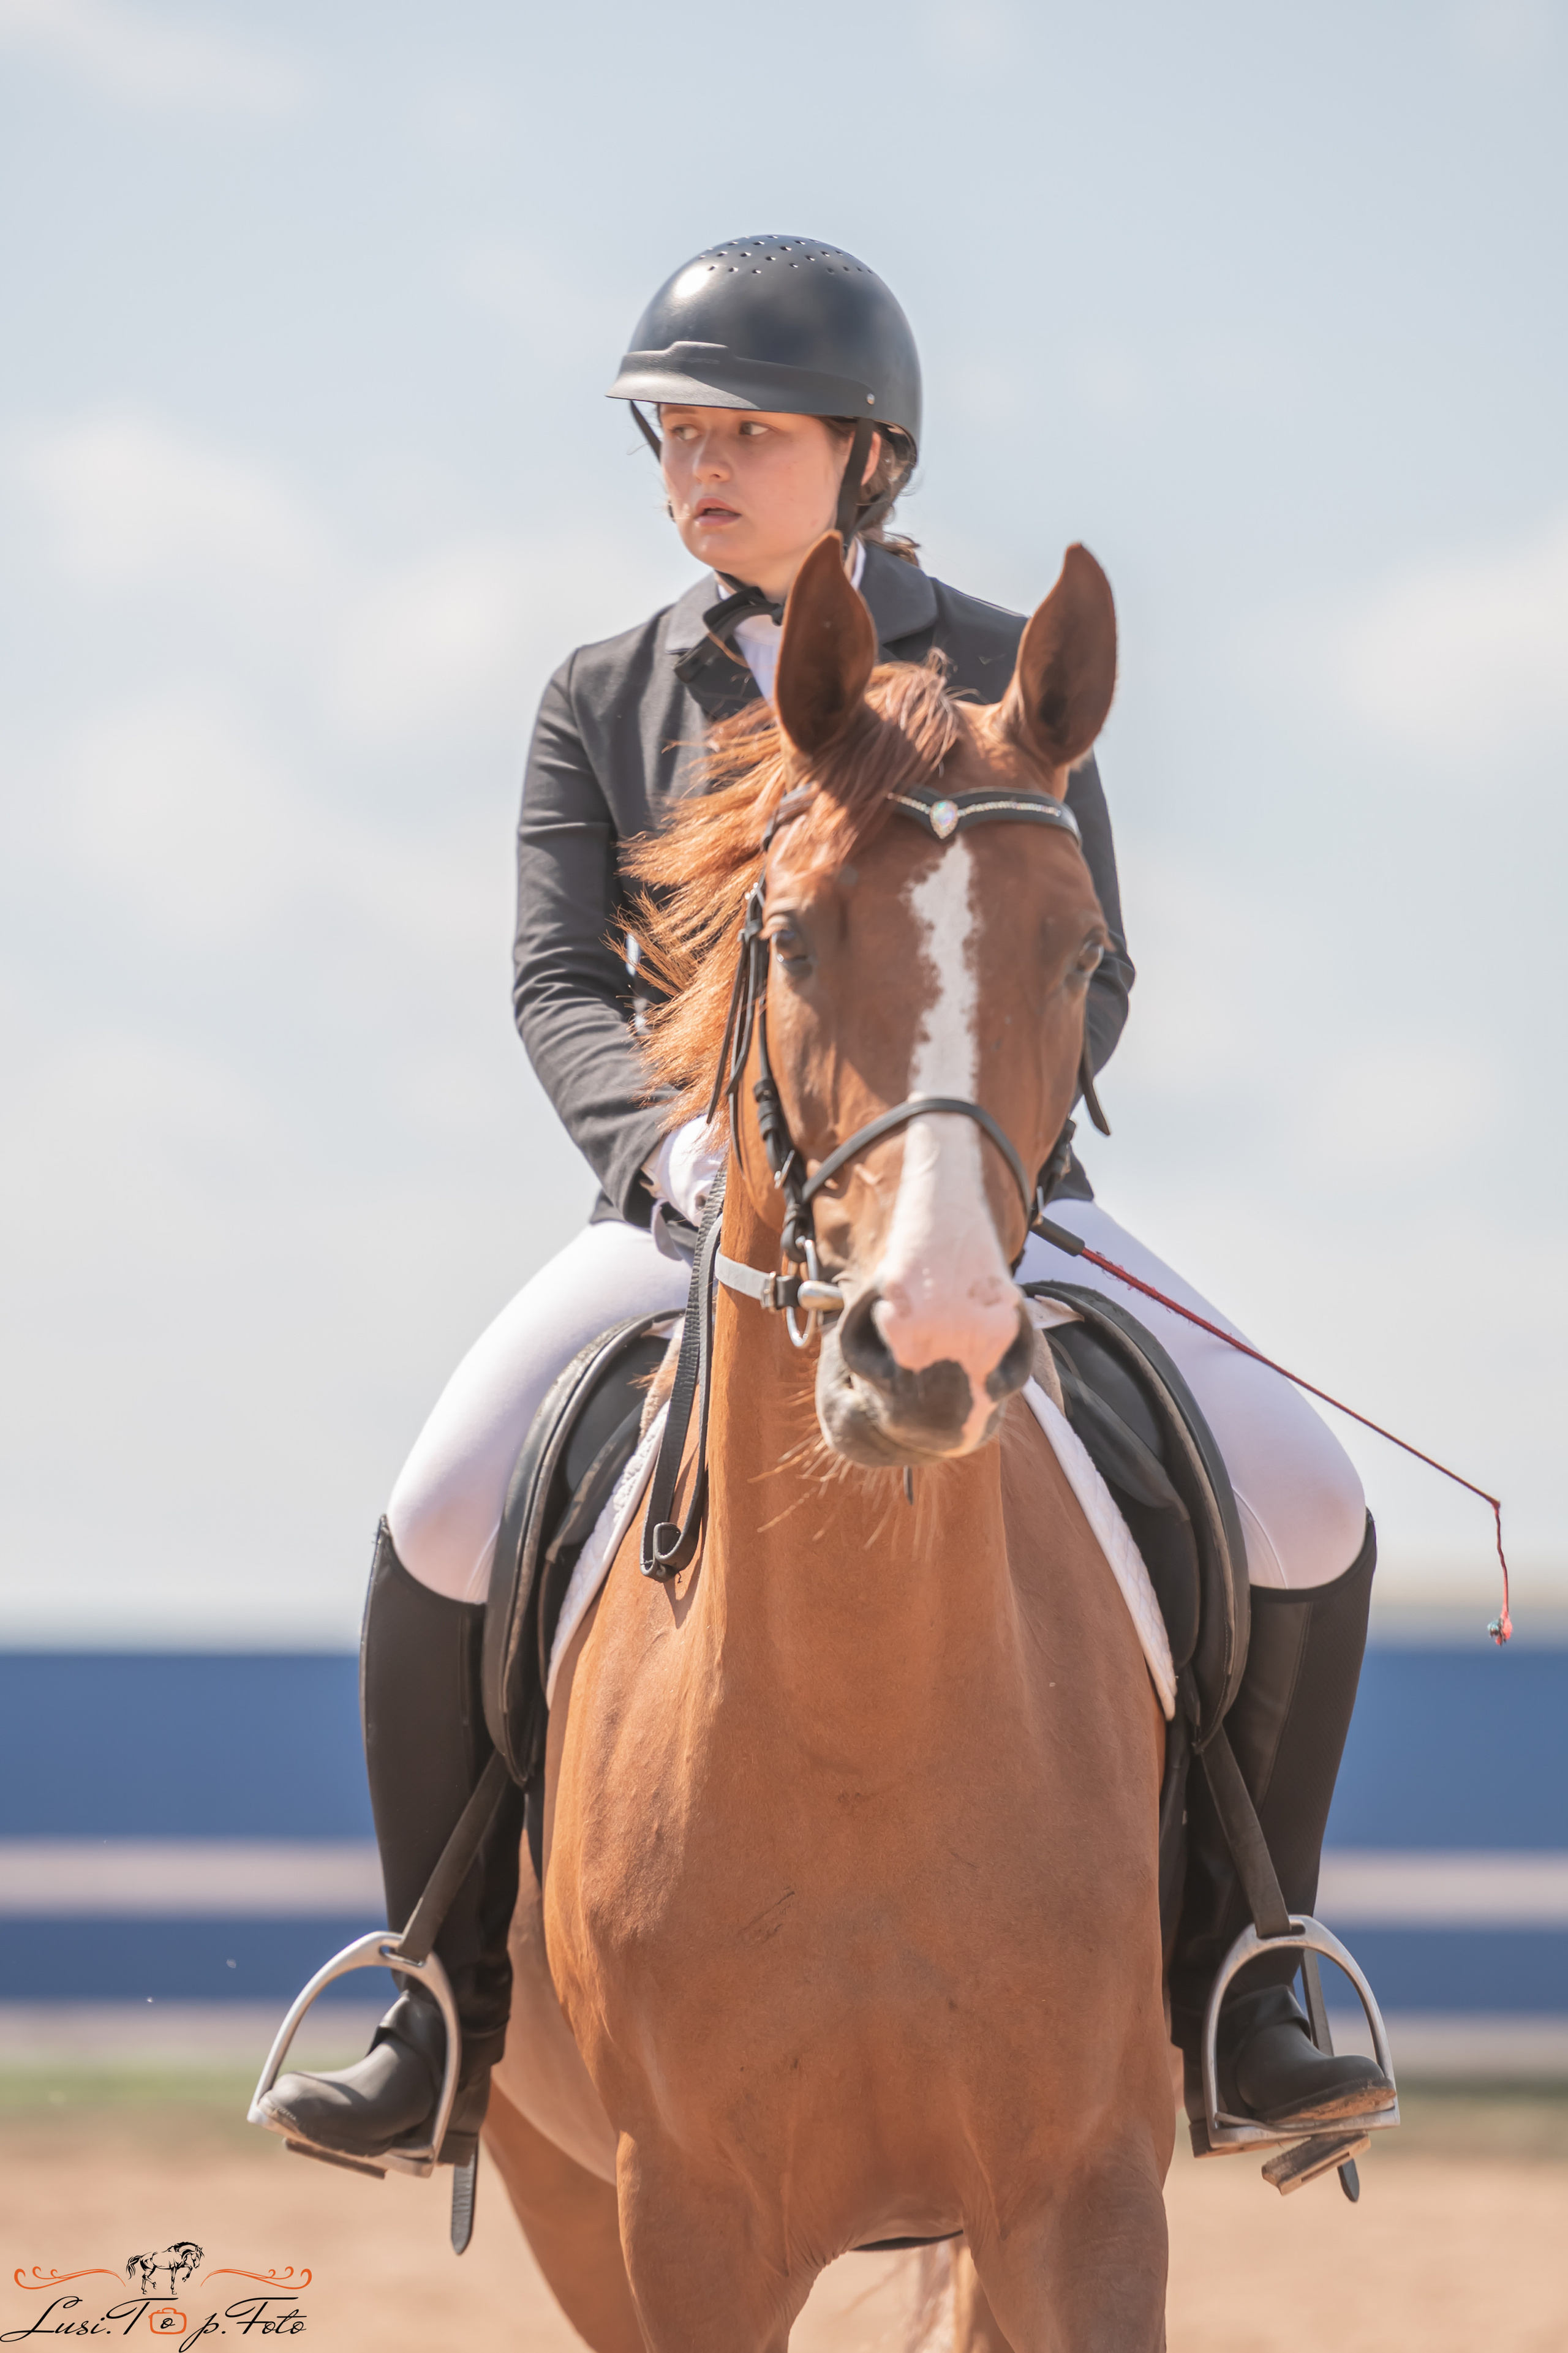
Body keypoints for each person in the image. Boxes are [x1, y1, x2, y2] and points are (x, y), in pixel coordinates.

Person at [259, 234, 1391, 2169]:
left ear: (869, 452)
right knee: (439, 1510)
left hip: (988, 1199)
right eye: (677, 437)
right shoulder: (601, 694)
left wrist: (977, 1157)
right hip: (692, 1201)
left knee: (1308, 1494)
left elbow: (1088, 962)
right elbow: (556, 979)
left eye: (746, 434)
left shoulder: (1003, 666)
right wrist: (675, 1146)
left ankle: (1245, 1970)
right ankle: (437, 1984)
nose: (699, 469)